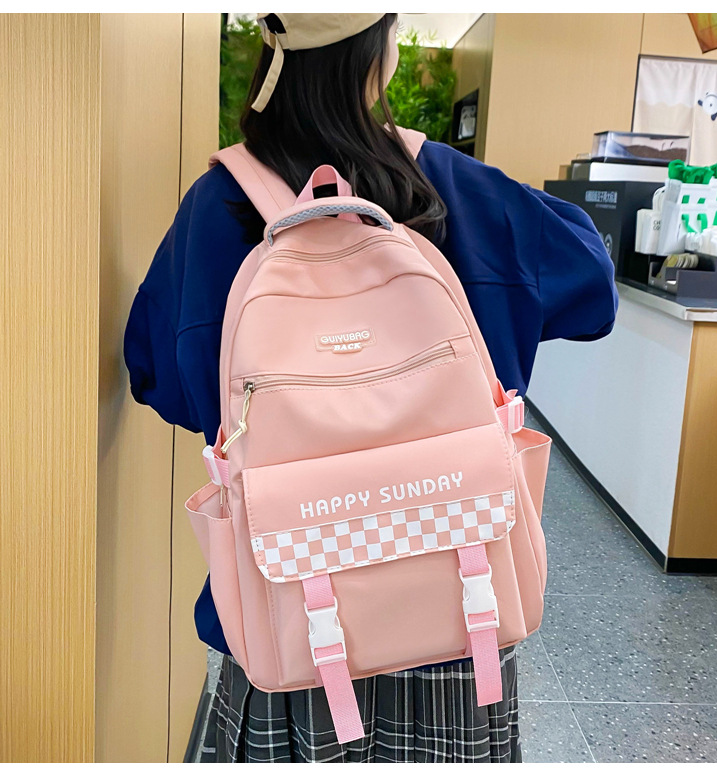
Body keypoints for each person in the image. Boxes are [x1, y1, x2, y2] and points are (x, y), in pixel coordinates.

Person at [124, 13, 618, 764]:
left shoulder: (213, 208)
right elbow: (593, 286)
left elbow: (158, 377)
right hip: (465, 617)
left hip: (289, 625)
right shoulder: (457, 189)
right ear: (380, 49)